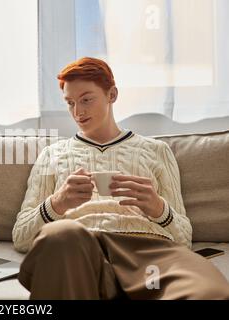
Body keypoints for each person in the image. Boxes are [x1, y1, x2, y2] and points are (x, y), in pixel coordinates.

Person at [12, 57, 229, 300]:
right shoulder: (52, 154)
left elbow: (183, 238)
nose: (77, 111)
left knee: (210, 292)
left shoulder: (157, 151)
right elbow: (21, 237)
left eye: (86, 99)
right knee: (61, 234)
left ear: (111, 94)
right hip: (80, 251)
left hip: (149, 254)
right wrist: (57, 203)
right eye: (70, 103)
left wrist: (157, 207)